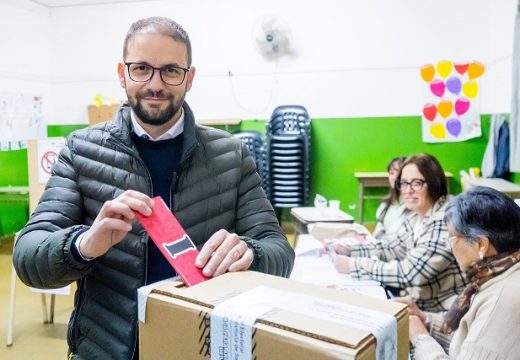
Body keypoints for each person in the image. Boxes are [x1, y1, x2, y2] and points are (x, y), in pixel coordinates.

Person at [13, 17, 294, 360]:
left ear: (189, 78)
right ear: (122, 73)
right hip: (107, 349)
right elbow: (28, 257)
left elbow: (280, 252)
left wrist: (251, 252)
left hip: (199, 347)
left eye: (171, 70)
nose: (155, 84)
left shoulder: (230, 156)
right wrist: (83, 244)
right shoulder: (81, 151)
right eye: (141, 68)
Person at [331, 153, 465, 311]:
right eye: (403, 183)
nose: (408, 191)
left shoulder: (443, 221)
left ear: (435, 183)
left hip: (439, 314)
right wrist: (350, 251)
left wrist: (352, 265)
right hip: (418, 302)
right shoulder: (417, 215)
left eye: (416, 183)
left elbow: (409, 273)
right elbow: (393, 248)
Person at [398, 186, 520, 359]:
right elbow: (471, 338)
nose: (450, 245)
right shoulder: (496, 274)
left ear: (480, 245)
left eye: (452, 237)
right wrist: (424, 319)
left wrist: (419, 337)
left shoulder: (502, 299)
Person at [372, 156, 408, 240]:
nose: (395, 177)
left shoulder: (413, 205)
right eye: (391, 173)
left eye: (399, 172)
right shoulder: (385, 205)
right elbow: (378, 232)